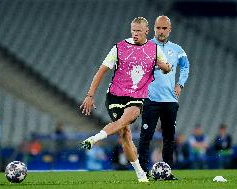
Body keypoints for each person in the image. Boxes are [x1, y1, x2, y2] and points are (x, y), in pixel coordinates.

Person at [80, 17, 171, 182]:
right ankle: (140, 173)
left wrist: (165, 67)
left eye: (138, 31)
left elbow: (166, 68)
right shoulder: (119, 48)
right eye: (133, 30)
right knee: (125, 134)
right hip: (115, 95)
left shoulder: (154, 49)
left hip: (137, 97)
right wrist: (90, 95)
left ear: (146, 31)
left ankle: (95, 138)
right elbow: (101, 71)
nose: (135, 34)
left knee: (126, 119)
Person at [138, 15, 190, 180]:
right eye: (158, 28)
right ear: (154, 28)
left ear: (170, 29)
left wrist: (180, 84)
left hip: (169, 100)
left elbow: (186, 67)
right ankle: (142, 173)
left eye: (164, 28)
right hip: (150, 99)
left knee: (169, 138)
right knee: (146, 136)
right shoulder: (146, 46)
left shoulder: (177, 49)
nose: (161, 31)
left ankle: (168, 172)